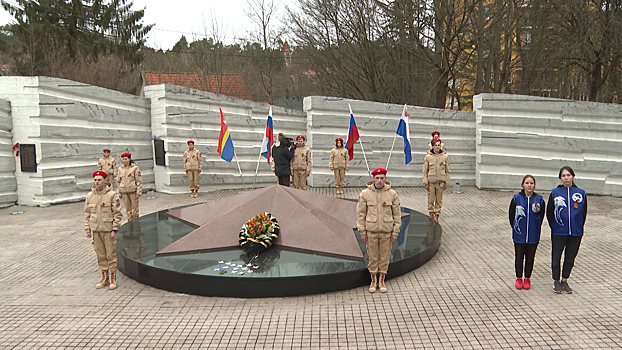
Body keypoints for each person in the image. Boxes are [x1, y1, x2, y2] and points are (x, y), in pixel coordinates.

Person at [356, 168, 401, 293]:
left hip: (387, 231)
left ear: (385, 179)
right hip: (371, 231)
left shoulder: (392, 194)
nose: (379, 181)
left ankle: (382, 280)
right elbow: (361, 214)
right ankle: (373, 280)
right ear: (373, 179)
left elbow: (396, 215)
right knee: (373, 257)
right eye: (377, 178)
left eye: (382, 178)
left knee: (385, 257)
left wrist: (395, 232)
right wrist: (362, 232)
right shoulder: (365, 193)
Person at [547, 166, 587, 294]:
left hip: (575, 231)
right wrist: (555, 226)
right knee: (556, 256)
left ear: (573, 176)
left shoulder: (581, 193)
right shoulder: (555, 193)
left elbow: (583, 212)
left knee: (570, 256)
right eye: (563, 175)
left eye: (568, 175)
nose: (566, 178)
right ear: (560, 178)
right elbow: (549, 212)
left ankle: (565, 279)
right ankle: (556, 280)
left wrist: (579, 225)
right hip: (559, 231)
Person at [84, 171, 123, 290]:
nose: (97, 182)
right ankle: (104, 277)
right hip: (96, 230)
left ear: (105, 180)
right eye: (95, 180)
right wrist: (88, 229)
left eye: (99, 180)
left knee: (111, 254)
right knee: (100, 254)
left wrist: (114, 229)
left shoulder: (111, 195)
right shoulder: (90, 196)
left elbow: (117, 213)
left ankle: (112, 278)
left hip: (108, 230)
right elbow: (87, 213)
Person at [508, 175, 545, 290]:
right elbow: (511, 216)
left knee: (530, 258)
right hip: (519, 235)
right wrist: (516, 227)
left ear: (534, 185)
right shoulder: (516, 199)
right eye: (527, 183)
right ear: (522, 185)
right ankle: (519, 278)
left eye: (531, 183)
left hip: (533, 236)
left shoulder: (539, 200)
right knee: (519, 258)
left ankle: (527, 278)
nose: (529, 185)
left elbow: (541, 216)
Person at [422, 138, 450, 222]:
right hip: (431, 182)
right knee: (431, 200)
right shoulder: (428, 157)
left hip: (441, 182)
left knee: (439, 200)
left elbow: (447, 171)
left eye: (438, 145)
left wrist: (446, 182)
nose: (437, 147)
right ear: (433, 146)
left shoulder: (444, 157)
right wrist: (425, 183)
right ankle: (431, 215)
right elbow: (425, 171)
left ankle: (437, 216)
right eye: (435, 145)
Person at [117, 152, 142, 221]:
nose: (124, 160)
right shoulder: (120, 169)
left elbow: (139, 181)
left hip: (132, 191)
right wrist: (119, 193)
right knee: (128, 209)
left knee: (135, 209)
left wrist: (139, 191)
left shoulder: (135, 168)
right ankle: (129, 221)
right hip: (124, 191)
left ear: (129, 159)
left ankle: (136, 222)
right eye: (123, 159)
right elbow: (118, 181)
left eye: (125, 159)